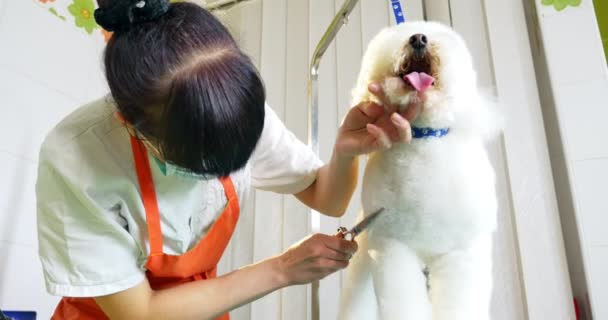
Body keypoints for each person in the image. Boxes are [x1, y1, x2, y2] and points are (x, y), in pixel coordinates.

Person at [35, 1, 419, 319]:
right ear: (129, 124)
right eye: (202, 168)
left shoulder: (234, 111)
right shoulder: (75, 157)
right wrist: (282, 269)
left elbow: (326, 197)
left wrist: (344, 151)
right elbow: (140, 312)